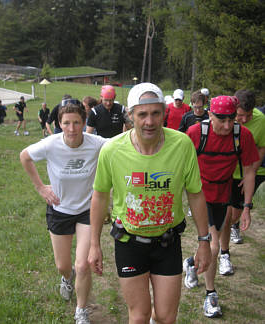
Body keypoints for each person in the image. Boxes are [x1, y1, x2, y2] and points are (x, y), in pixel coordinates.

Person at [88, 82, 211, 324]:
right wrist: (94, 244)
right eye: (142, 114)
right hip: (129, 243)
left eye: (156, 113)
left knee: (166, 317)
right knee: (139, 315)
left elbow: (195, 194)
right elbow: (100, 195)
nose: (149, 121)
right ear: (130, 115)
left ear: (164, 113)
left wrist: (204, 241)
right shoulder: (112, 150)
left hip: (167, 242)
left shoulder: (182, 145)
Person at [20, 99, 107, 324]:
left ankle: (81, 310)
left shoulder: (96, 143)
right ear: (59, 123)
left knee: (83, 264)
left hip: (87, 210)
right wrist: (40, 187)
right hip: (59, 209)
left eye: (76, 122)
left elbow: (120, 146)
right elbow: (25, 156)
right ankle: (67, 279)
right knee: (63, 265)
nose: (71, 129)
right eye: (66, 123)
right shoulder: (51, 144)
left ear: (84, 122)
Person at [184, 95, 259, 318]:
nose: (227, 126)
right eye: (222, 120)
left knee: (209, 245)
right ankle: (211, 295)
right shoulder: (196, 134)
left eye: (232, 120)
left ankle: (191, 263)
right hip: (200, 195)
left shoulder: (242, 135)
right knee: (213, 245)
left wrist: (246, 207)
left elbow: (249, 171)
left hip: (223, 194)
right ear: (209, 115)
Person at [218, 90, 265, 275]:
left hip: (244, 174)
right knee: (224, 215)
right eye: (240, 116)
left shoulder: (261, 121)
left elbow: (261, 147)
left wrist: (250, 174)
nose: (244, 120)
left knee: (233, 216)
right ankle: (224, 253)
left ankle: (233, 227)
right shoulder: (225, 118)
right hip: (225, 173)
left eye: (248, 116)